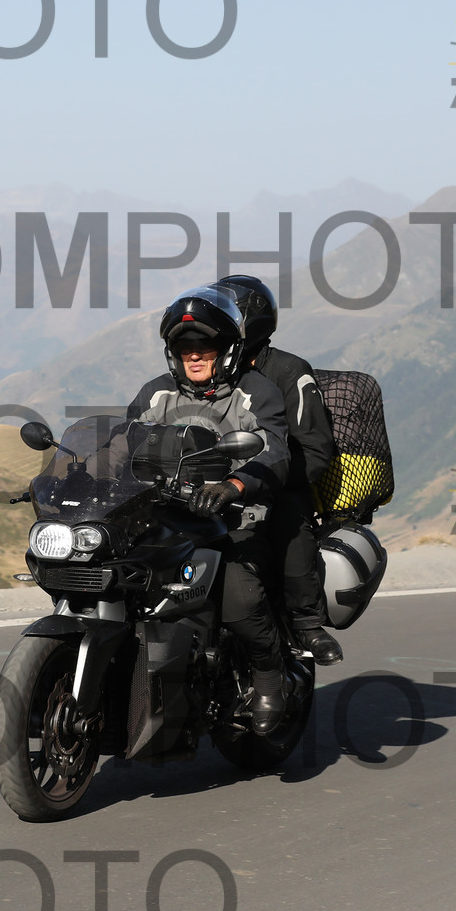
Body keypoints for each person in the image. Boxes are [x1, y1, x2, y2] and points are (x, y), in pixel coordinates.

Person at [126, 285, 292, 734]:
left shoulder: (254, 392)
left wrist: (234, 485)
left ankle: (269, 676)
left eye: (205, 346)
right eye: (185, 348)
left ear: (227, 349)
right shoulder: (156, 394)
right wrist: (82, 472)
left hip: (235, 519)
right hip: (167, 518)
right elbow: (122, 442)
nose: (195, 356)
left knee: (239, 598)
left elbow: (275, 450)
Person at [216, 274, 344, 664]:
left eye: (229, 313)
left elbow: (315, 449)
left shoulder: (290, 371)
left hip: (277, 480)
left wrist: (264, 479)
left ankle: (306, 622)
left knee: (288, 516)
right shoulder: (217, 369)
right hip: (216, 485)